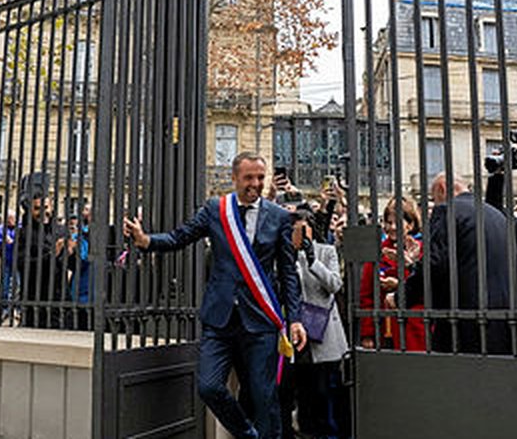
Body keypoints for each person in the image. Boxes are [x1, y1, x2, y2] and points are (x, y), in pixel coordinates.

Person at [123, 151, 306, 439]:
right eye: (249, 177)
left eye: (260, 177)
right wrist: (146, 241)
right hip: (220, 319)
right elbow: (180, 237)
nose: (255, 184)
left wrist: (294, 319)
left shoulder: (280, 217)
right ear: (234, 178)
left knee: (264, 396)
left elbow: (288, 274)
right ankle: (249, 435)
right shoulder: (215, 210)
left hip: (260, 321)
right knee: (208, 386)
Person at [396, 174, 510, 354]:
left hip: (461, 323)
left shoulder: (447, 211)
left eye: (434, 197)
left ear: (442, 189)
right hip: (502, 321)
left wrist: (400, 297)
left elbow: (434, 266)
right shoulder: (497, 215)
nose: (435, 202)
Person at [289, 206, 350, 439]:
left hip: (324, 333)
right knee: (303, 393)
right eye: (295, 231)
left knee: (324, 391)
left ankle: (328, 433)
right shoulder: (284, 254)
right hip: (297, 333)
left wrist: (312, 260)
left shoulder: (326, 252)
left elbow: (334, 285)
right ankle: (306, 431)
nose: (300, 235)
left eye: (304, 230)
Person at [359, 197, 425, 352]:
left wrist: (400, 284)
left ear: (411, 224)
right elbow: (367, 295)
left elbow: (426, 286)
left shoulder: (422, 250)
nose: (392, 227)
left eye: (398, 222)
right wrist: (368, 334)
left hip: (416, 326)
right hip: (385, 328)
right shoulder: (377, 252)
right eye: (388, 222)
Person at [14, 172, 68, 329]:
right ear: (29, 209)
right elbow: (23, 265)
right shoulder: (23, 234)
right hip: (35, 301)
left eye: (45, 207)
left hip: (61, 301)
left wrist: (72, 252)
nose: (43, 212)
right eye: (37, 208)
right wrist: (52, 255)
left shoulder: (60, 230)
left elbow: (71, 265)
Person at [0, 212, 17, 323]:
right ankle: (4, 309)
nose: (10, 220)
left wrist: (12, 242)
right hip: (5, 260)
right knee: (5, 286)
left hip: (18, 261)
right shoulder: (0, 229)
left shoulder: (20, 227)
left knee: (18, 285)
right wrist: (4, 241)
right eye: (9, 218)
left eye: (12, 218)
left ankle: (17, 309)